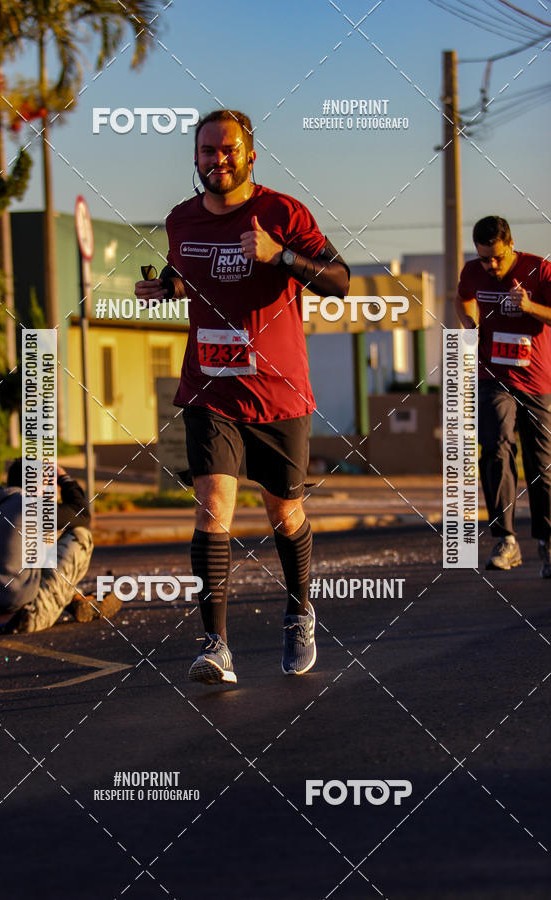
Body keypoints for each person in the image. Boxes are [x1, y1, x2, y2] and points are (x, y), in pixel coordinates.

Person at [135, 109, 350, 684]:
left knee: (284, 512)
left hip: (279, 394)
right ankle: (215, 646)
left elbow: (340, 279)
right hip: (209, 388)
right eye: (207, 151)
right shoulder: (180, 220)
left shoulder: (283, 213)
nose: (217, 159)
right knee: (212, 508)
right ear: (196, 158)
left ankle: (300, 610)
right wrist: (167, 287)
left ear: (250, 155)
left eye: (228, 150)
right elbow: (198, 278)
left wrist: (279, 254)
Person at [456, 215, 551, 574]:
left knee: (541, 464)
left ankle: (547, 541)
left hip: (536, 381)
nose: (490, 265)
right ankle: (506, 539)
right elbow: (462, 299)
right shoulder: (472, 272)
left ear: (510, 245)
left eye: (496, 257)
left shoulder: (539, 271)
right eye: (484, 258)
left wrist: (529, 307)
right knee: (495, 446)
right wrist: (469, 324)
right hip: (493, 375)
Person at [0, 460, 121, 633]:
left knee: (43, 544)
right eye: (49, 484)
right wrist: (63, 478)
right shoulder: (29, 505)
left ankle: (74, 597)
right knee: (80, 535)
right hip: (24, 618)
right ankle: (71, 598)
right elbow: (81, 515)